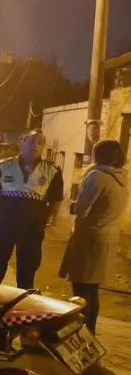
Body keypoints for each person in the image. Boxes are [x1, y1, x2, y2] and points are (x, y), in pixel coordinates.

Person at [59, 140, 128, 333]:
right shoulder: (121, 176)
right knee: (92, 290)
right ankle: (90, 331)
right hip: (107, 238)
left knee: (81, 291)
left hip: (89, 239)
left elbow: (81, 209)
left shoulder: (97, 176)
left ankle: (81, 335)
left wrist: (72, 204)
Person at [0, 130, 64, 290]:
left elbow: (56, 200)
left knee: (27, 272)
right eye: (31, 141)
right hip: (4, 227)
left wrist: (45, 218)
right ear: (22, 142)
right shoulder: (3, 166)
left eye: (40, 143)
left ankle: (23, 306)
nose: (35, 145)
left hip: (32, 230)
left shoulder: (52, 171)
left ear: (43, 148)